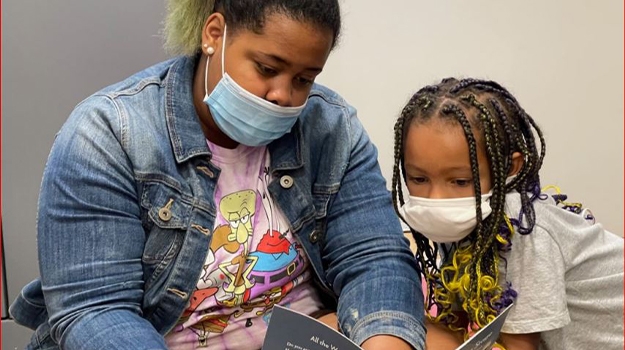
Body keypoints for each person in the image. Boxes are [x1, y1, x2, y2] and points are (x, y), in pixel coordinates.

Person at [9, 1, 426, 349]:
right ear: (213, 34)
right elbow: (96, 312)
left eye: (304, 79)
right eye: (266, 68)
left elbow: (375, 258)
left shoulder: (331, 126)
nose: (283, 95)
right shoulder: (108, 134)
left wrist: (384, 337)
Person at [391, 78, 624, 350]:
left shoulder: (522, 228)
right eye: (419, 179)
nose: (436, 199)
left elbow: (521, 346)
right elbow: (458, 318)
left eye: (461, 182)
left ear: (509, 167)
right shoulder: (464, 221)